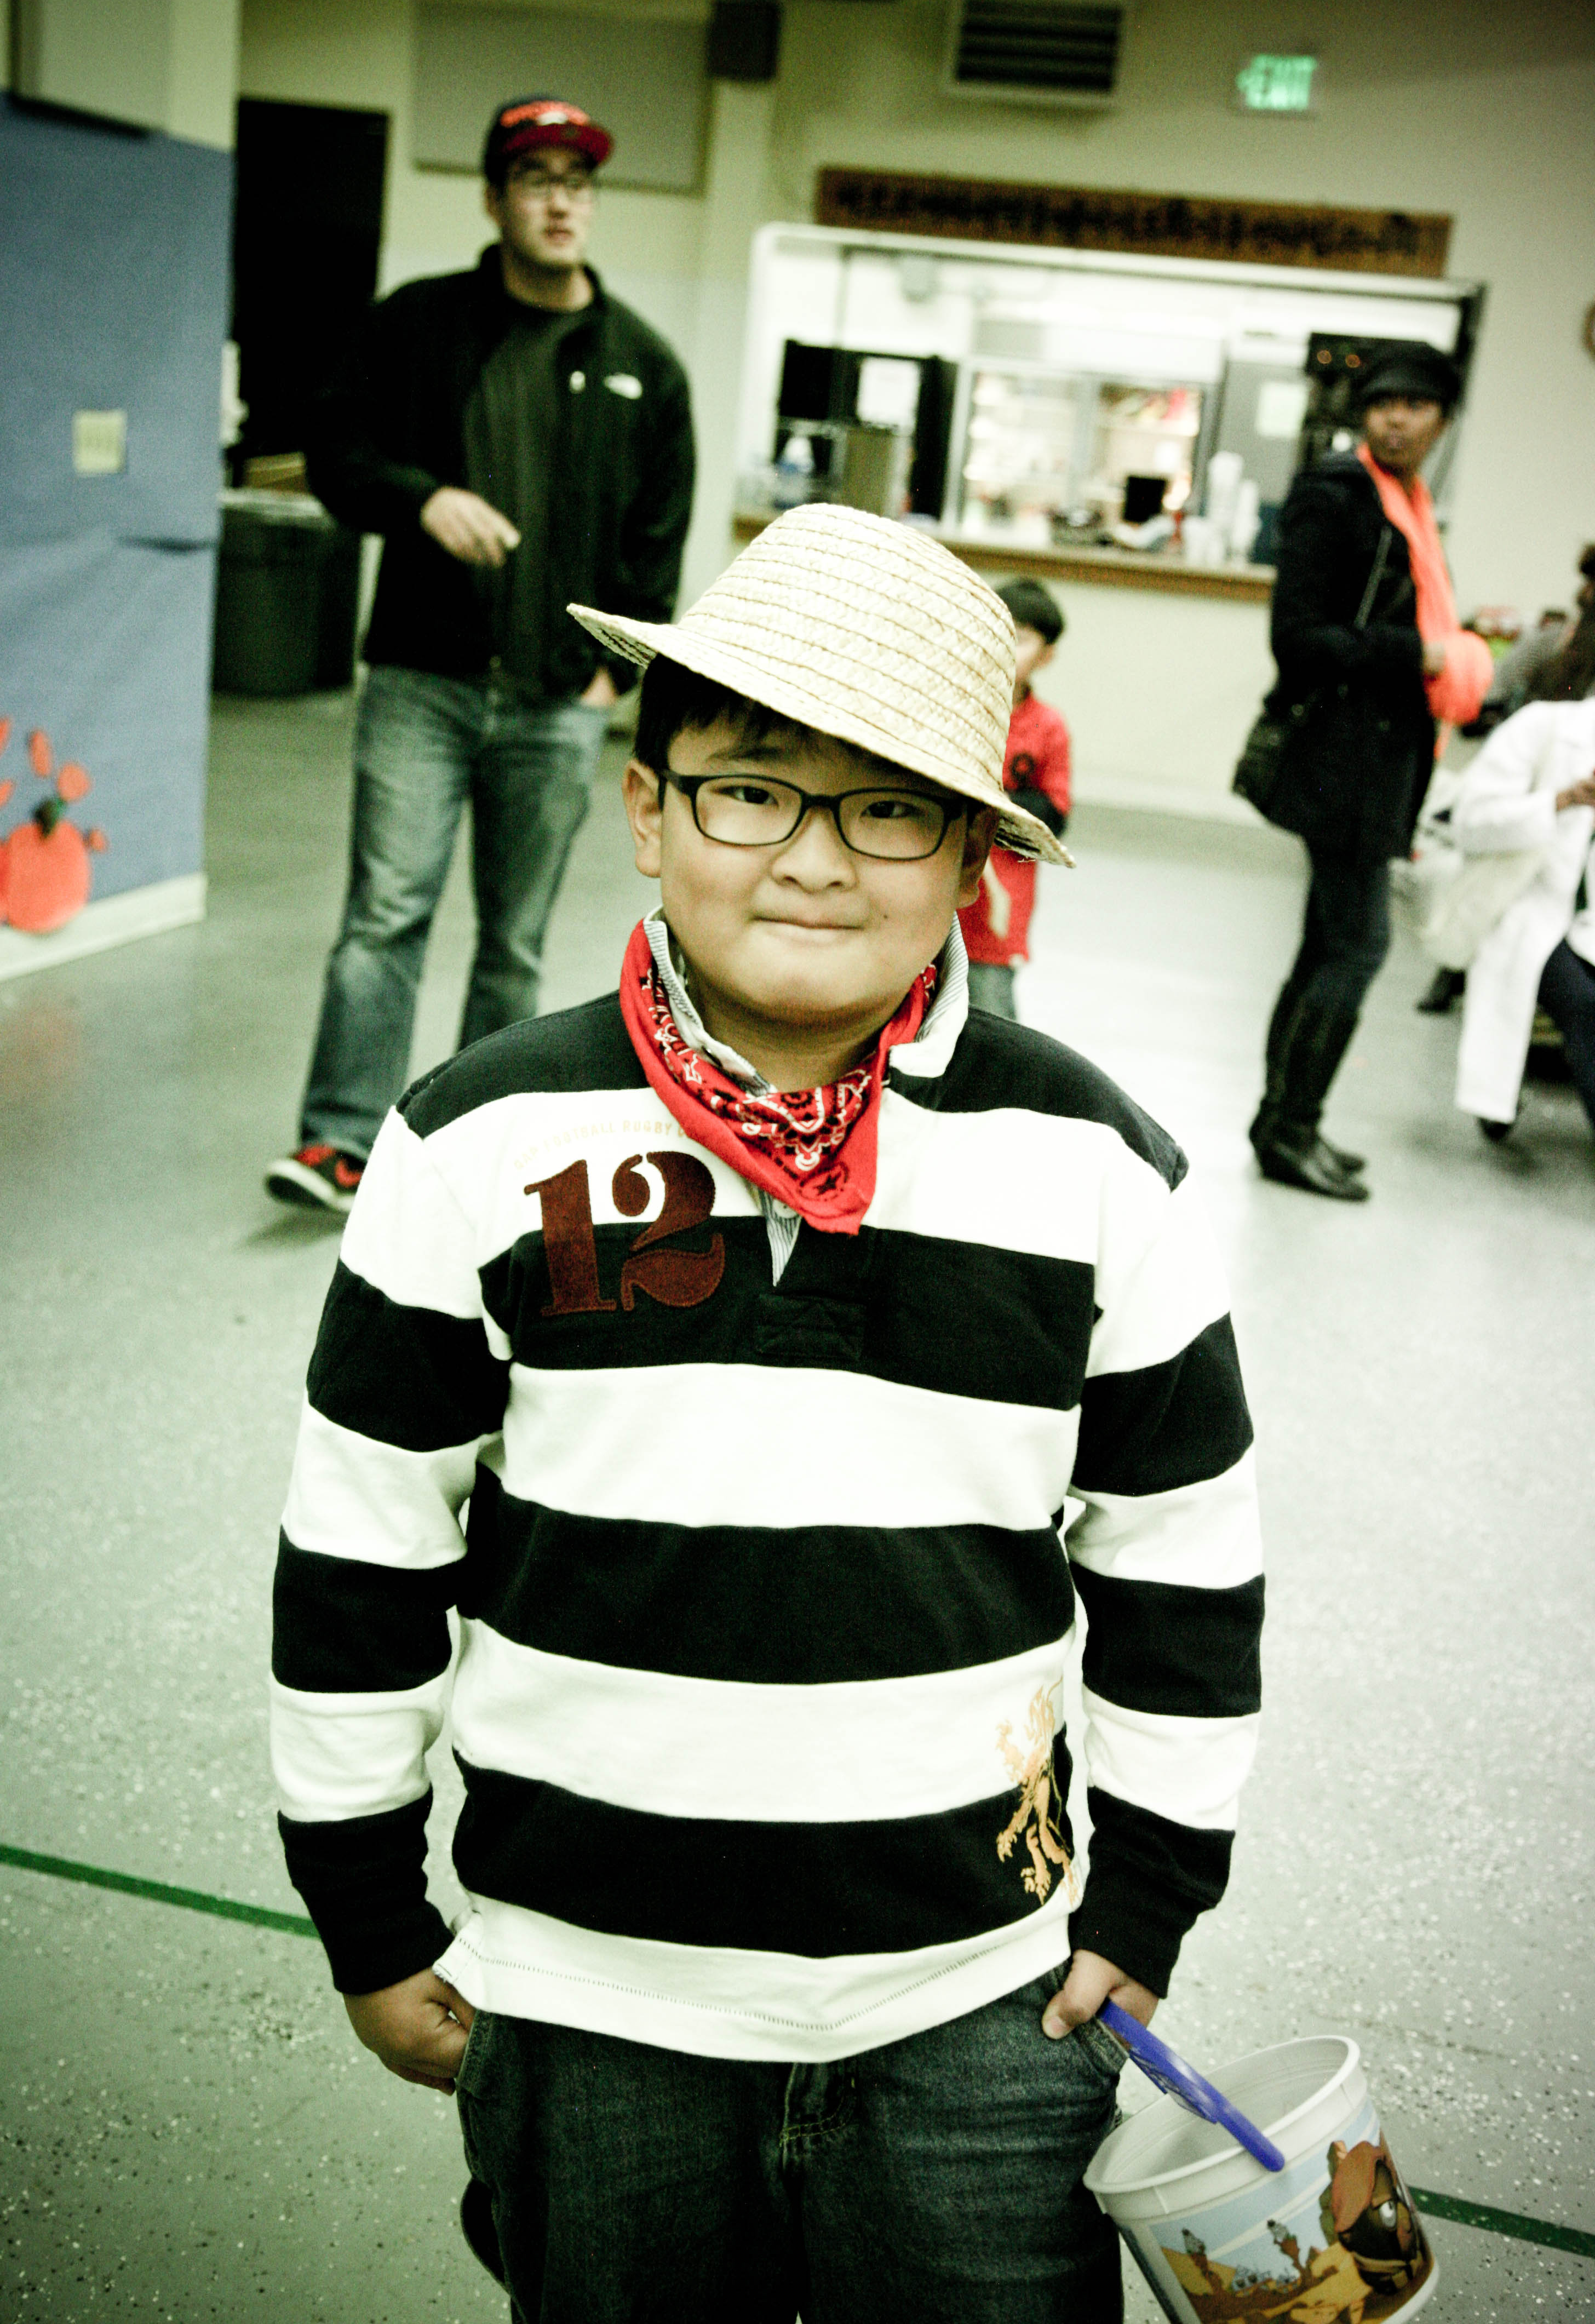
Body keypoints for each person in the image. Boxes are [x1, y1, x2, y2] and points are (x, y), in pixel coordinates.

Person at [269, 504, 1264, 2323]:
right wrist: (366, 1909)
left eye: (888, 808)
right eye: (748, 790)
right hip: (585, 1992)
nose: (813, 858)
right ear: (646, 808)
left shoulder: (1091, 1164)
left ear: (973, 853)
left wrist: (1148, 1900)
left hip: (981, 1993)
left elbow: (1185, 1566)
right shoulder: (479, 1138)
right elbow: (362, 1549)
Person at [266, 95, 695, 1214]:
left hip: (557, 701)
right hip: (422, 683)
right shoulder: (416, 325)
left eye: (578, 181)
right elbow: (333, 451)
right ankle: (338, 1142)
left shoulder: (644, 366)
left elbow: (656, 542)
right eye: (537, 178)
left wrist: (611, 678)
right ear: (495, 199)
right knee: (385, 915)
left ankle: (474, 1148)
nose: (561, 201)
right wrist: (421, 499)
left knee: (512, 941)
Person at [1250, 340, 1491, 1199]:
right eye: (1383, 403)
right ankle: (1292, 1130)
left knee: (1329, 942)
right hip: (1339, 761)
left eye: (1415, 406)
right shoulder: (1337, 495)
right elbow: (1298, 638)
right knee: (1359, 944)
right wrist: (1419, 654)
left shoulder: (1409, 504)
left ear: (1443, 421)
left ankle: (1281, 1123)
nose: (1396, 419)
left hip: (1374, 761)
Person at [1449, 606, 1595, 1144]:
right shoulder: (1544, 727)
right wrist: (1563, 799)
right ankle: (1498, 1096)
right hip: (1530, 908)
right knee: (1585, 1008)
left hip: (1587, 924)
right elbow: (1471, 822)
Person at [958, 577, 1073, 1017]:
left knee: (989, 1012)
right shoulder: (957, 706)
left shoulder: (1049, 727)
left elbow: (1056, 812)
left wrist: (994, 799)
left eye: (1021, 638)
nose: (1006, 646)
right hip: (939, 893)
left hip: (1000, 903)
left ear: (1046, 656)